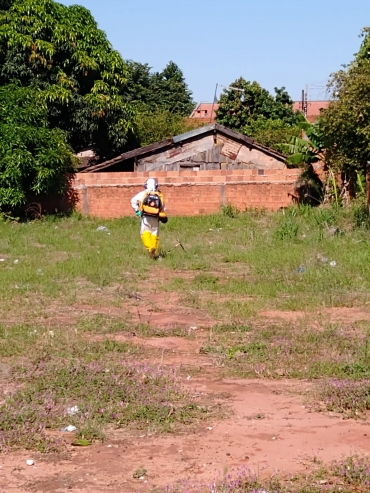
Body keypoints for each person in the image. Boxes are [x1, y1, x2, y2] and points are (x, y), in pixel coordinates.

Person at [130, 178, 167, 259]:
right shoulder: (159, 194)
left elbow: (133, 201)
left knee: (144, 233)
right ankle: (154, 249)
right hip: (156, 218)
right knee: (154, 234)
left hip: (146, 217)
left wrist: (137, 211)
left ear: (146, 185)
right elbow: (164, 209)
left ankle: (150, 248)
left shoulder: (144, 193)